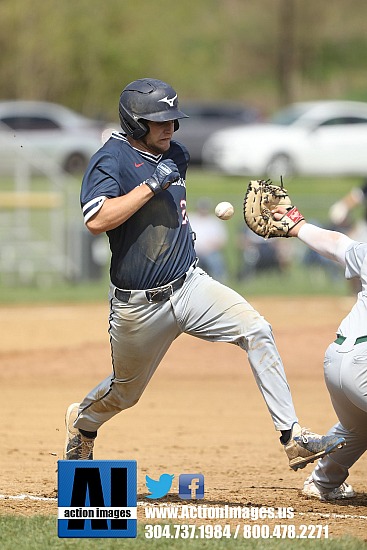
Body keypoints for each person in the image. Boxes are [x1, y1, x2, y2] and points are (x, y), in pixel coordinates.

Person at [63, 78, 344, 471]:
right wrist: (149, 185)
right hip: (139, 307)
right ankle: (84, 422)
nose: (170, 128)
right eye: (159, 121)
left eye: (173, 120)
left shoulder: (176, 154)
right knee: (125, 393)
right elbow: (96, 219)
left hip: (191, 285)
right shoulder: (111, 159)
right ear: (134, 122)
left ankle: (292, 436)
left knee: (257, 329)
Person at [272, 203, 366, 500]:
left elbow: (337, 244)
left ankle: (322, 482)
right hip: (365, 365)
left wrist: (297, 225)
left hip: (336, 357)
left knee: (356, 427)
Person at [188, 197, 228, 281]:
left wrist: (209, 248)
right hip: (193, 251)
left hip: (209, 251)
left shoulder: (214, 222)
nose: (203, 210)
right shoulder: (191, 219)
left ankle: (220, 281)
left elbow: (221, 241)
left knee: (215, 260)